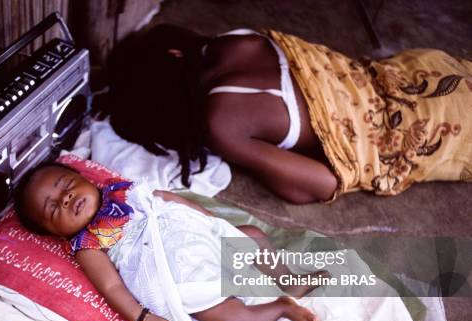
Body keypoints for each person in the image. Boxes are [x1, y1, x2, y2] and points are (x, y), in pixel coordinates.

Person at [108, 25, 472, 203]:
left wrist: (254, 159)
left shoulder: (222, 121)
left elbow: (323, 184)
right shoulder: (236, 40)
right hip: (424, 70)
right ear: (174, 53)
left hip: (436, 122)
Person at [14, 162, 330, 321]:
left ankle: (289, 281)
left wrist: (214, 225)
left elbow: (170, 200)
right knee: (235, 320)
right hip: (175, 272)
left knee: (253, 237)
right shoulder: (87, 244)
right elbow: (111, 286)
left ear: (85, 179)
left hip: (195, 236)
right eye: (53, 208)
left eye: (66, 185)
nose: (65, 198)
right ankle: (282, 308)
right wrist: (142, 319)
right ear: (55, 232)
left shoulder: (125, 191)